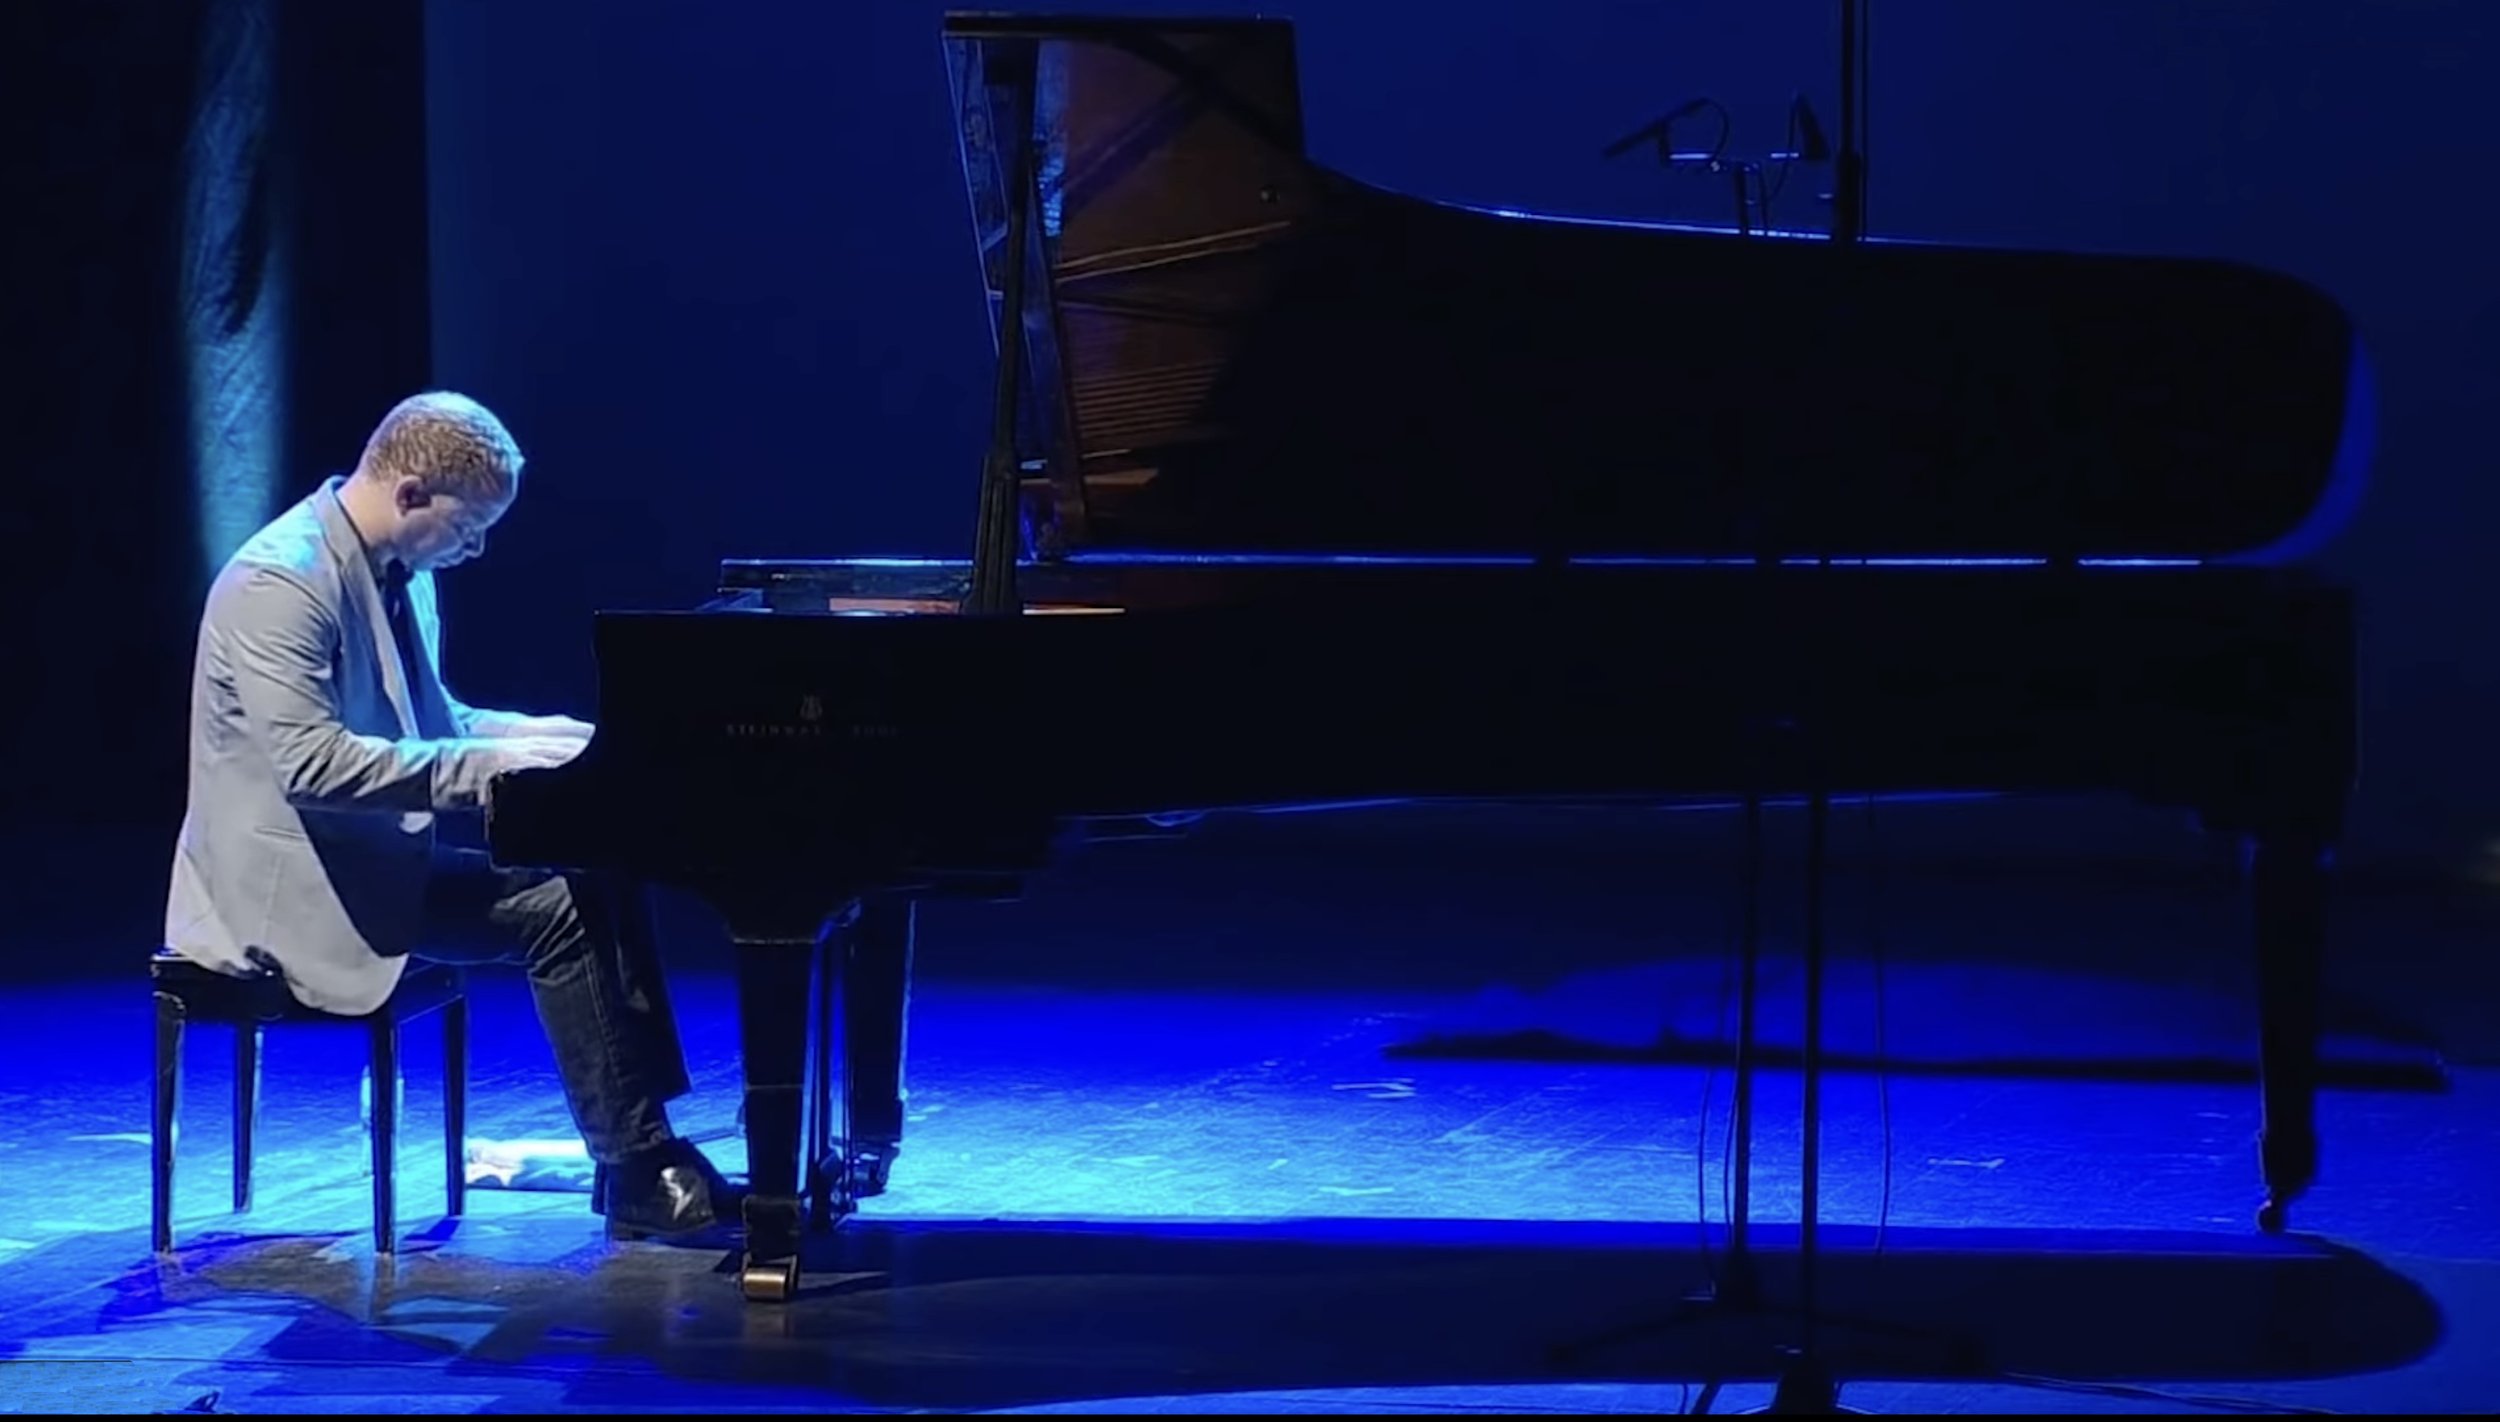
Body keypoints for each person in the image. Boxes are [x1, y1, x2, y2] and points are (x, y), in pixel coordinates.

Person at [163, 390, 735, 1241]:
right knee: (558, 909)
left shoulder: (402, 572)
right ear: (411, 493)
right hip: (286, 893)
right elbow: (314, 766)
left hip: (366, 861)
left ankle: (641, 1152)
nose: (477, 549)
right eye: (470, 527)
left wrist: (552, 739)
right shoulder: (279, 583)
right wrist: (497, 770)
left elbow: (432, 721)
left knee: (600, 863)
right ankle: (636, 1163)